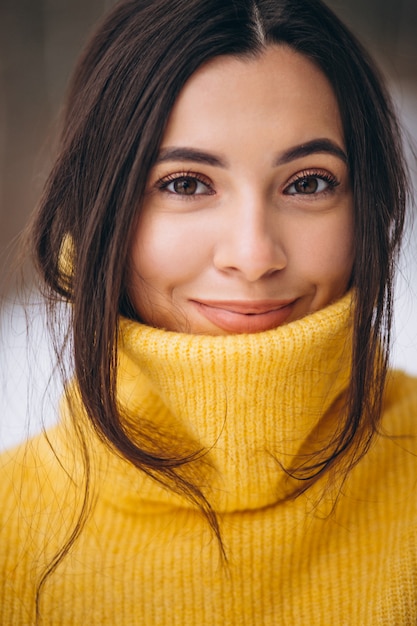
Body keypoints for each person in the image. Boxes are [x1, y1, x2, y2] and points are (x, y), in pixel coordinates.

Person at [1, 0, 416, 623]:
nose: (253, 255)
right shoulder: (10, 532)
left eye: (308, 182)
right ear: (99, 207)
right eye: (186, 184)